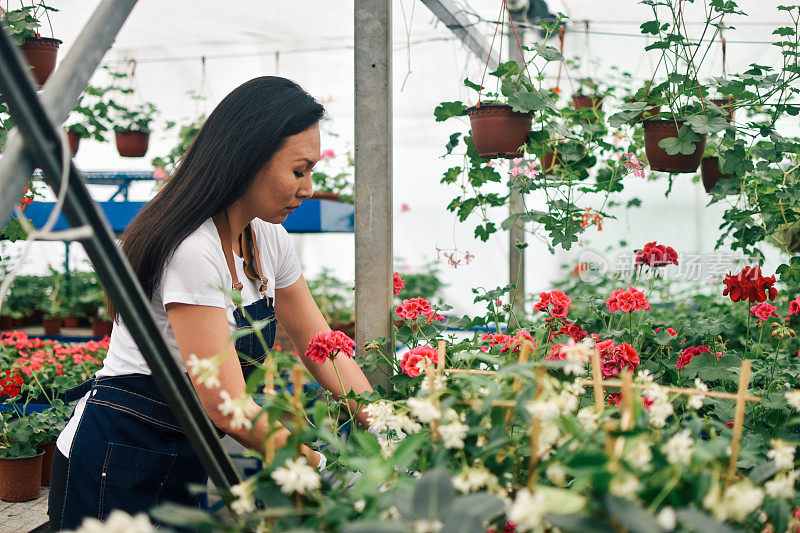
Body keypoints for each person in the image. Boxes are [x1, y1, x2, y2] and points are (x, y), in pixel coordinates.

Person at [47, 76, 374, 530]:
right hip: (115, 457)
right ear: (249, 159)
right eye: (299, 171)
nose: (308, 187)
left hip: (184, 454)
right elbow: (225, 406)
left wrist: (383, 421)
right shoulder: (192, 249)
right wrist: (316, 464)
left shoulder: (268, 240)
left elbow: (320, 344)